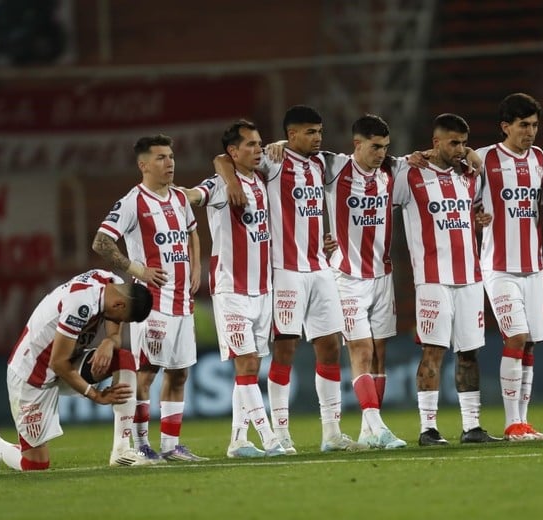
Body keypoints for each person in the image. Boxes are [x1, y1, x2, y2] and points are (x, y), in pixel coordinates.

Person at [214, 105, 364, 453]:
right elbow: (222, 158)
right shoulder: (271, 160)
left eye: (320, 132)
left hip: (320, 268)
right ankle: (280, 432)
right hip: (285, 272)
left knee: (329, 348)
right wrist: (231, 179)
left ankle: (331, 433)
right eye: (310, 132)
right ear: (292, 134)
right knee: (285, 351)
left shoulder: (321, 164)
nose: (318, 138)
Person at [92, 134, 206, 462]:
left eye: (171, 156)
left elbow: (191, 232)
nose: (169, 162)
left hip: (183, 300)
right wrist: (137, 270)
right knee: (148, 371)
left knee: (180, 372)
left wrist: (196, 266)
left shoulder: (180, 199)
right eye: (160, 158)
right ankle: (141, 445)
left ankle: (171, 446)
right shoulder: (132, 202)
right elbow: (101, 242)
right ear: (143, 165)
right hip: (151, 303)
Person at [392, 113, 500, 446]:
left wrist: (480, 218)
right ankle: (428, 429)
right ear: (435, 142)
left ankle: (472, 427)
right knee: (433, 351)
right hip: (432, 280)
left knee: (469, 353)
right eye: (454, 142)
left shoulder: (469, 176)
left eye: (465, 143)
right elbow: (378, 185)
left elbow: (476, 211)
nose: (461, 149)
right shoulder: (410, 174)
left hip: (470, 276)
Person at [0, 269, 154, 471]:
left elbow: (113, 328)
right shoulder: (80, 304)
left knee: (123, 358)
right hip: (33, 375)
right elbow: (58, 363)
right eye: (124, 318)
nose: (119, 322)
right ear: (119, 304)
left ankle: (121, 451)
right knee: (35, 464)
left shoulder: (110, 282)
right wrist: (96, 395)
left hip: (69, 361)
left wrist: (110, 340)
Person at [183, 120, 287, 458]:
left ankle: (238, 441)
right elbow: (194, 196)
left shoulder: (261, 178)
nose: (258, 149)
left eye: (260, 144)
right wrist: (174, 193)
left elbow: (296, 144)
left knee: (252, 368)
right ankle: (270, 438)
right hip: (231, 290)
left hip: (262, 290)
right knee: (244, 365)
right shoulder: (218, 186)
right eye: (251, 145)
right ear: (233, 152)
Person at [320, 114, 407, 449]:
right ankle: (379, 427)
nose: (381, 153)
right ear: (357, 144)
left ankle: (367, 432)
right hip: (346, 277)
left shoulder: (391, 171)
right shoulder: (334, 167)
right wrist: (278, 145)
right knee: (361, 348)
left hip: (382, 275)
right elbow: (293, 151)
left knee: (379, 353)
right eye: (375, 146)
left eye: (385, 146)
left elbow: (423, 161)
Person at [475, 93, 543, 442]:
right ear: (505, 126)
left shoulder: (538, 157)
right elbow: (459, 199)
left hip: (533, 268)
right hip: (498, 267)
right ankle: (511, 424)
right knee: (517, 337)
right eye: (524, 125)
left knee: (531, 344)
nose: (531, 132)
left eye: (535, 125)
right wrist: (474, 217)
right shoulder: (483, 158)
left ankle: (523, 422)